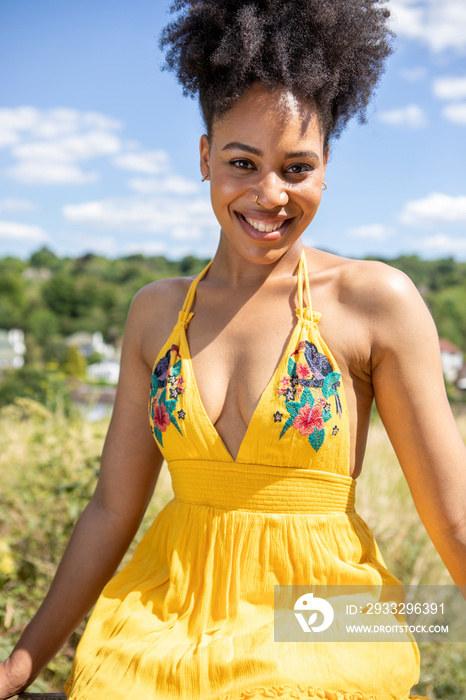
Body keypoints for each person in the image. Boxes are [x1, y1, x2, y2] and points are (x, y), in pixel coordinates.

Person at [1, 0, 465, 698]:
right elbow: (110, 509)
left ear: (327, 165)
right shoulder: (154, 313)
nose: (269, 194)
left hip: (320, 613)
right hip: (167, 605)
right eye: (242, 162)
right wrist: (21, 661)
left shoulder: (376, 301)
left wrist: (425, 615)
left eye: (297, 167)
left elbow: (454, 520)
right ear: (204, 157)